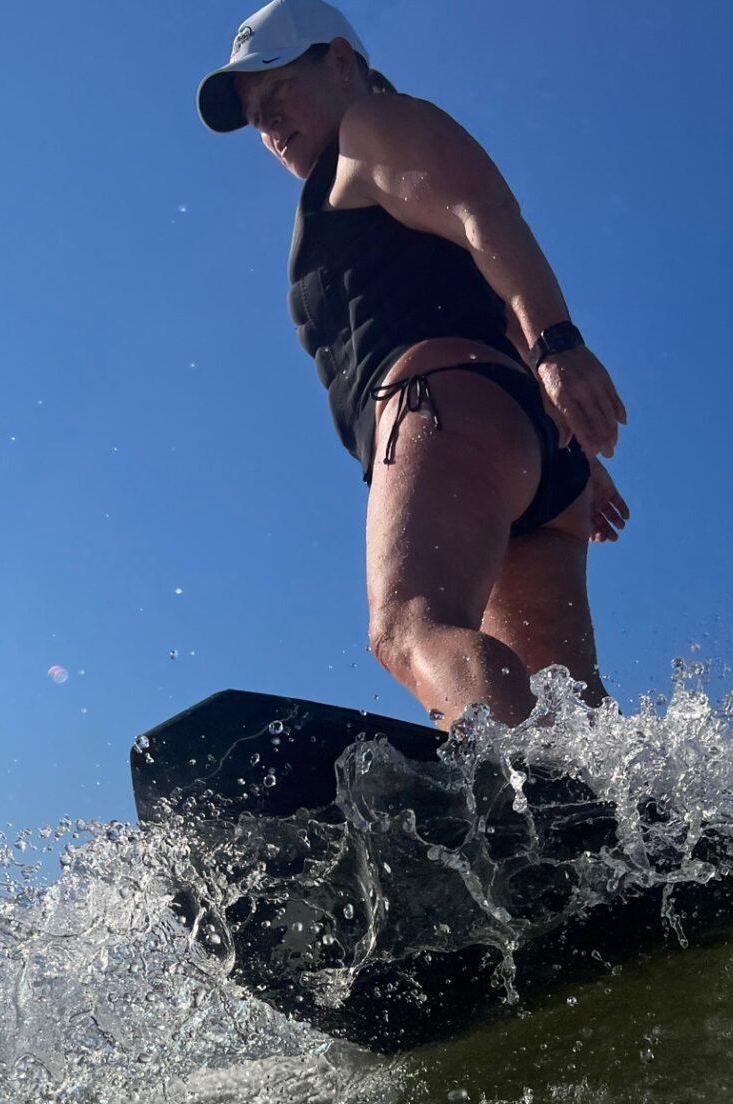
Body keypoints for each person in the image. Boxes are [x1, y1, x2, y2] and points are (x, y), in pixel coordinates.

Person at [198, 1, 630, 731]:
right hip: (518, 442)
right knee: (568, 711)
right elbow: (482, 278)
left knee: (408, 627)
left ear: (340, 60)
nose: (268, 126)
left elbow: (482, 209)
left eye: (277, 95)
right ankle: (635, 832)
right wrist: (574, 445)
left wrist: (560, 346)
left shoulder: (372, 126)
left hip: (442, 412)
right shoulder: (363, 173)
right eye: (255, 116)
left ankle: (521, 804)